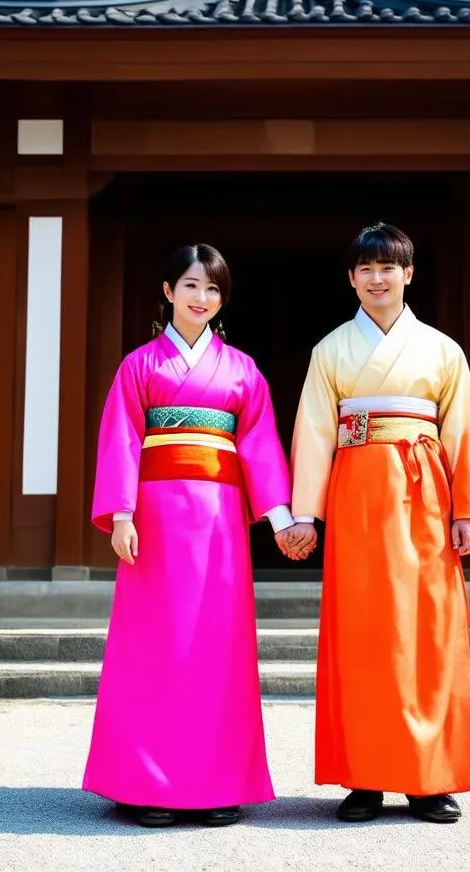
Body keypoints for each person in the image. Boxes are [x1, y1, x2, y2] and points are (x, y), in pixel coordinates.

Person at [279, 222, 470, 824]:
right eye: (366, 270)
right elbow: (316, 434)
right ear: (351, 278)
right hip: (357, 498)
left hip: (424, 498)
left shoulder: (443, 351)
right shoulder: (330, 351)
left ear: (409, 273)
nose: (377, 279)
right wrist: (306, 514)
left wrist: (469, 512)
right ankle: (364, 779)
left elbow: (463, 431)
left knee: (428, 632)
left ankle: (428, 778)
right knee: (364, 632)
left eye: (388, 268)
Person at [84, 243, 296, 828]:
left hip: (220, 521)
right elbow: (122, 442)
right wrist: (121, 514)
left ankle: (217, 782)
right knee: (153, 646)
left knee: (217, 647)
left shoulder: (242, 370)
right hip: (154, 521)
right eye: (191, 285)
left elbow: (258, 445)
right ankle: (142, 783)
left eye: (213, 289)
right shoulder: (139, 367)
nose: (201, 298)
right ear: (168, 291)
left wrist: (281, 517)